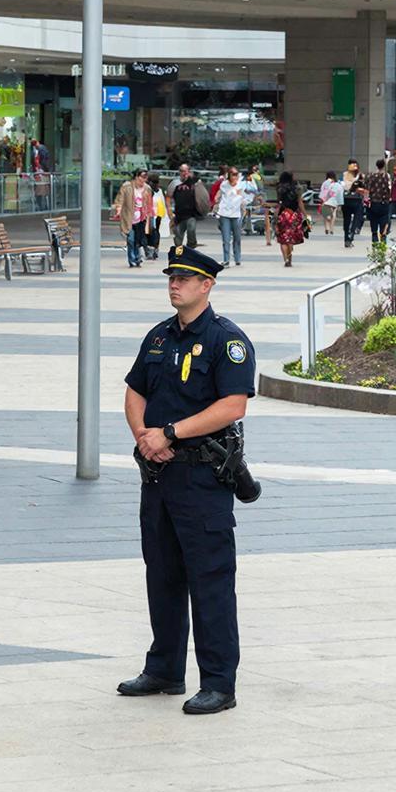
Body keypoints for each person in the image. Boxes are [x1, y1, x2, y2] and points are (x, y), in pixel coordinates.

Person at [119, 244, 256, 715]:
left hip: (202, 480)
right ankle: (164, 669)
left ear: (207, 285)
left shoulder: (226, 340)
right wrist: (144, 436)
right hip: (158, 476)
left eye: (184, 278)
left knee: (211, 580)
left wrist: (171, 432)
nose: (174, 283)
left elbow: (232, 405)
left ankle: (219, 682)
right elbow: (135, 391)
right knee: (162, 575)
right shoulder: (158, 338)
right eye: (171, 276)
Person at [114, 169, 151, 268]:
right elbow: (120, 200)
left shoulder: (147, 188)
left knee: (138, 240)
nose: (144, 179)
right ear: (136, 176)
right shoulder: (127, 187)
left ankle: (137, 258)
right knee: (130, 239)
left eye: (146, 177)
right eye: (142, 176)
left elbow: (149, 203)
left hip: (141, 219)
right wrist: (118, 209)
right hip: (129, 218)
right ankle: (132, 259)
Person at [212, 167, 246, 267]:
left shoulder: (240, 184)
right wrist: (216, 198)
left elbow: (241, 195)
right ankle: (226, 260)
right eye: (233, 174)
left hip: (236, 214)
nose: (235, 176)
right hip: (224, 213)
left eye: (236, 174)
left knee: (237, 237)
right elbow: (220, 191)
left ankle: (237, 258)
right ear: (229, 175)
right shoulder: (224, 184)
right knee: (226, 238)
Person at [274, 171, 306, 267]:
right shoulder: (297, 189)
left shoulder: (279, 188)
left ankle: (286, 259)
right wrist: (305, 214)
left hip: (283, 214)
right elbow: (300, 203)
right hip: (294, 215)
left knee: (283, 239)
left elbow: (279, 202)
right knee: (291, 238)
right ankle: (290, 257)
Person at [165, 164, 199, 248]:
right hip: (178, 215)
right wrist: (169, 211)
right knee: (178, 238)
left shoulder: (194, 183)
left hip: (191, 214)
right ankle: (179, 253)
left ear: (189, 171)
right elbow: (168, 197)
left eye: (185, 171)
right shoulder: (174, 183)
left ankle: (191, 246)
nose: (184, 173)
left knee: (191, 229)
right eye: (182, 171)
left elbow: (201, 195)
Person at [362, 158, 392, 245]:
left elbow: (366, 190)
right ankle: (383, 237)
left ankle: (374, 237)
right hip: (384, 202)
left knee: (373, 220)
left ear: (376, 165)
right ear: (384, 166)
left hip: (373, 202)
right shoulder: (387, 176)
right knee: (384, 220)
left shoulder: (370, 176)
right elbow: (390, 188)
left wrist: (366, 201)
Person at [342, 159, 365, 248]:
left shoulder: (344, 175)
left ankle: (346, 239)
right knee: (356, 219)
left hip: (346, 200)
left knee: (346, 220)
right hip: (357, 200)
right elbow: (364, 188)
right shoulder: (361, 176)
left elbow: (342, 186)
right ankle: (351, 236)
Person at [145, 173, 167, 261]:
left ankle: (151, 249)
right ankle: (155, 249)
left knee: (149, 232)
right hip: (159, 212)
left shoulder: (148, 189)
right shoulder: (160, 190)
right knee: (155, 231)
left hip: (151, 212)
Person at [318, 170, 343, 236]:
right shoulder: (337, 184)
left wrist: (322, 200)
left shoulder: (325, 183)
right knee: (333, 213)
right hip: (334, 200)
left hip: (326, 200)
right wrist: (340, 203)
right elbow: (340, 193)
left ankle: (327, 228)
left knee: (326, 214)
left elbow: (322, 191)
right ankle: (332, 229)